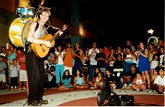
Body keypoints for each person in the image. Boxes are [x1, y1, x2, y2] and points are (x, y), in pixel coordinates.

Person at [26, 7, 67, 106]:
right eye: (43, 15)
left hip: (41, 55)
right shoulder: (34, 24)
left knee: (41, 78)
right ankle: (31, 99)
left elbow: (49, 41)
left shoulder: (45, 29)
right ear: (40, 15)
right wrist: (44, 42)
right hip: (31, 52)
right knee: (34, 77)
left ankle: (39, 98)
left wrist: (59, 33)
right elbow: (29, 38)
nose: (45, 17)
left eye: (47, 15)